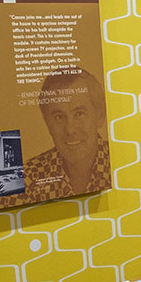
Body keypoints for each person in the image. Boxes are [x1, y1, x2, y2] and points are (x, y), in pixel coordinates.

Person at [21, 69, 112, 203]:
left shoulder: (120, 161)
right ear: (47, 123)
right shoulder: (28, 176)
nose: (70, 130)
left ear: (100, 116)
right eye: (59, 117)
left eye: (79, 114)